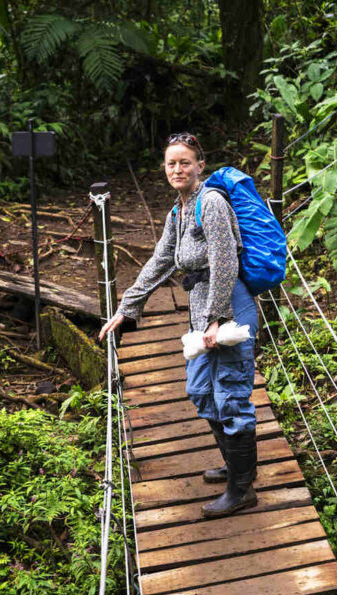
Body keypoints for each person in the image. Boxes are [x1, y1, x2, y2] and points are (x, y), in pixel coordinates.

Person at [99, 132, 258, 518]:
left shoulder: (212, 202)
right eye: (171, 163)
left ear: (200, 165)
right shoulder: (179, 210)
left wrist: (217, 317)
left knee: (230, 397)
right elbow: (161, 259)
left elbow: (225, 262)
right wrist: (127, 308)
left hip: (228, 309)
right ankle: (235, 466)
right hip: (202, 310)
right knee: (201, 390)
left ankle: (242, 489)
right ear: (164, 168)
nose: (177, 169)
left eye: (185, 162)